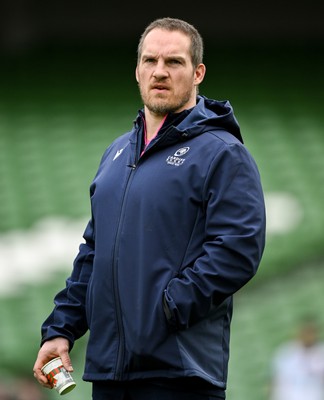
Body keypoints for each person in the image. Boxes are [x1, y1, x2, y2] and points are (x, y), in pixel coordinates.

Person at [33, 17, 266, 400]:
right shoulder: (117, 152)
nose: (160, 72)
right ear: (137, 70)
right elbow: (94, 252)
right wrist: (62, 329)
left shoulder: (223, 153)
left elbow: (238, 249)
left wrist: (167, 308)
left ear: (198, 73)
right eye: (150, 61)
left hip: (178, 374)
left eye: (174, 62)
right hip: (109, 373)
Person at [268, 316, 324, 400]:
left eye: (311, 332)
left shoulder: (321, 352)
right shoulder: (285, 352)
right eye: (306, 331)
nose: (309, 335)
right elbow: (275, 379)